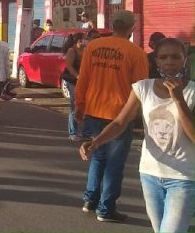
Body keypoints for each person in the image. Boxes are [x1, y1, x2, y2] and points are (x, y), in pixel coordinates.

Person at [80, 38, 195, 232]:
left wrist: (179, 100)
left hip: (183, 177)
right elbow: (120, 122)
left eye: (176, 57)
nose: (169, 62)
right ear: (156, 61)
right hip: (150, 174)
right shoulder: (143, 88)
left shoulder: (192, 91)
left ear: (184, 60)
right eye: (163, 57)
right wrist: (95, 142)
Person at [74, 10, 149, 222]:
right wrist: (139, 117)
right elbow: (140, 89)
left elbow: (83, 79)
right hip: (119, 116)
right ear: (132, 28)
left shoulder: (94, 47)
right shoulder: (136, 53)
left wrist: (79, 106)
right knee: (114, 164)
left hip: (94, 110)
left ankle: (90, 199)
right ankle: (106, 209)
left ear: (112, 26)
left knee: (97, 156)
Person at [61, 32, 88, 141]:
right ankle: (72, 132)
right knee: (74, 104)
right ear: (79, 40)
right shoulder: (72, 50)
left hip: (83, 81)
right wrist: (78, 76)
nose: (86, 41)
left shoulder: (85, 50)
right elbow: (69, 66)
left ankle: (84, 132)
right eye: (84, 39)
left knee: (84, 105)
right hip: (72, 81)